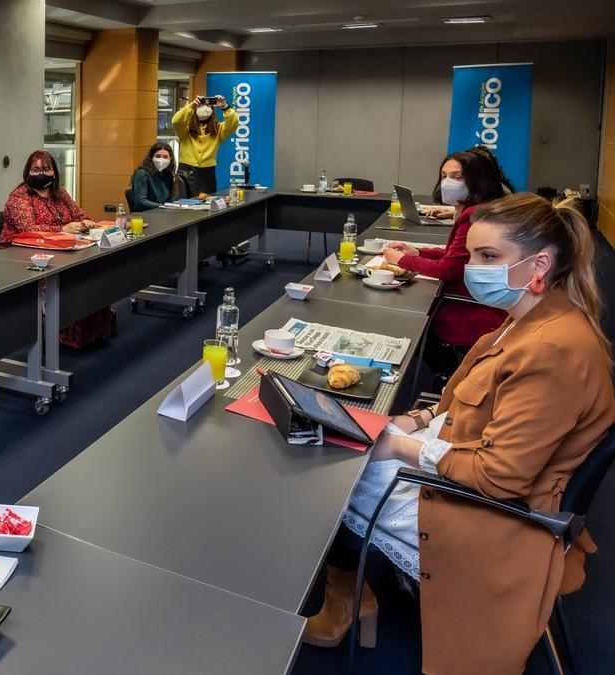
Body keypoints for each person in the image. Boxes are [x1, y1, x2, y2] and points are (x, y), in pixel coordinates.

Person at [305, 194, 615, 673]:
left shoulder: (552, 348)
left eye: (489, 257)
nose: (472, 268)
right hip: (466, 464)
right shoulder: (524, 322)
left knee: (323, 472)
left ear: (541, 263)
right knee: (339, 446)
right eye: (471, 254)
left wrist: (396, 445)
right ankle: (352, 597)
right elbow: (451, 405)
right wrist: (409, 423)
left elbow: (500, 478)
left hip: (502, 518)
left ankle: (347, 600)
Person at [382, 149, 508, 367]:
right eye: (444, 176)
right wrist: (418, 252)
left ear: (478, 180)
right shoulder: (475, 209)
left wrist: (401, 260)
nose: (447, 182)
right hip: (481, 300)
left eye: (457, 177)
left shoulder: (473, 216)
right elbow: (458, 257)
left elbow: (449, 270)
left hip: (471, 309)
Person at [0, 150, 113, 349]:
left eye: (46, 169)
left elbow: (79, 213)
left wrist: (85, 222)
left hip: (64, 250)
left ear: (54, 172)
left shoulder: (59, 193)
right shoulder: (19, 197)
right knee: (74, 279)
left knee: (95, 272)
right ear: (27, 172)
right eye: (35, 169)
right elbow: (27, 229)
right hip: (27, 256)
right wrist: (62, 229)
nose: (41, 173)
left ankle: (92, 332)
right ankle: (64, 333)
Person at [171, 94, 239, 196]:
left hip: (207, 173)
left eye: (208, 105)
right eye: (200, 105)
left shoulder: (218, 129)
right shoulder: (185, 128)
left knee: (207, 204)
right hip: (186, 172)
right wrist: (191, 106)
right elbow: (176, 121)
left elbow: (233, 124)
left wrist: (225, 107)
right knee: (184, 204)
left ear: (212, 109)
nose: (204, 108)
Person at [129, 142, 176, 212]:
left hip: (163, 214)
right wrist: (164, 207)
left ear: (170, 159)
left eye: (165, 157)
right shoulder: (142, 174)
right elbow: (141, 202)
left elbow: (169, 200)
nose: (161, 160)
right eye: (158, 156)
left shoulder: (168, 175)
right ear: (151, 157)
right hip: (147, 216)